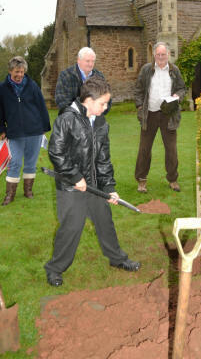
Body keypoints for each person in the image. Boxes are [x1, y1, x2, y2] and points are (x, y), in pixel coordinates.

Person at [44, 77, 140, 287]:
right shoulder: (67, 119)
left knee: (106, 223)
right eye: (102, 103)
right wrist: (75, 177)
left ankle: (118, 259)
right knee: (72, 227)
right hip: (71, 187)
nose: (106, 108)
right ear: (88, 100)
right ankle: (54, 269)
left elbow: (103, 159)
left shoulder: (102, 123)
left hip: (95, 186)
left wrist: (110, 188)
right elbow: (56, 153)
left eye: (107, 103)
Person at [134, 42, 186, 193]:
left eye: (163, 54)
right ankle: (141, 181)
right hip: (149, 114)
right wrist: (139, 107)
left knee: (171, 149)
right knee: (144, 149)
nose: (161, 57)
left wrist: (178, 95)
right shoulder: (146, 69)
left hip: (168, 115)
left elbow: (182, 88)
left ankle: (173, 179)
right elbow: (138, 90)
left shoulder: (174, 70)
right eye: (158, 54)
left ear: (168, 55)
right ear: (154, 55)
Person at [0, 56, 51, 205]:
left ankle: (28, 190)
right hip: (14, 133)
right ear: (10, 71)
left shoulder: (32, 85)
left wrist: (44, 127)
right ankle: (10, 194)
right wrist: (1, 129)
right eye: (17, 71)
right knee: (15, 162)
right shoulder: (2, 89)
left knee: (30, 162)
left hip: (34, 131)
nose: (20, 75)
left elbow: (41, 106)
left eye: (22, 72)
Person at [55, 46, 110, 112]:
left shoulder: (99, 76)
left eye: (93, 61)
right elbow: (61, 101)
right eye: (87, 61)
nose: (90, 64)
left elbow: (107, 100)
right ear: (79, 60)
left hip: (95, 119)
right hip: (71, 120)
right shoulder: (66, 75)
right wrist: (83, 111)